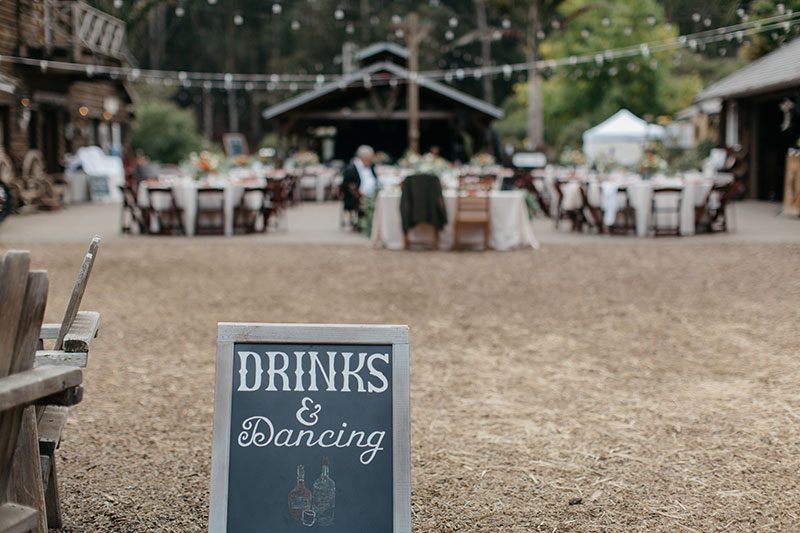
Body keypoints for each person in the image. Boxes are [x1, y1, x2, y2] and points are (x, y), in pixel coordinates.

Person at [341, 145, 377, 226]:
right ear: (362, 157)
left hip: (373, 193)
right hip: (356, 197)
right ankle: (365, 222)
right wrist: (358, 193)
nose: (371, 159)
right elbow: (346, 185)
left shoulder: (371, 166)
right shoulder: (351, 169)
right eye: (369, 157)